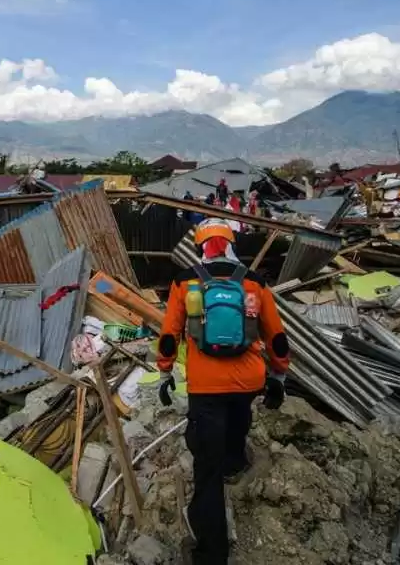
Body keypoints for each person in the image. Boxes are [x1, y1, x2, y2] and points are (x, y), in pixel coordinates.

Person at [157, 219, 290, 565]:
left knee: (207, 470)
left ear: (200, 245)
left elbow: (170, 332)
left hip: (205, 385)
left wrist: (164, 372)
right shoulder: (254, 282)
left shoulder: (185, 281)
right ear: (232, 242)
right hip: (248, 379)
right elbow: (276, 333)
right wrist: (278, 375)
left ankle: (211, 554)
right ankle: (235, 462)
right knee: (239, 418)